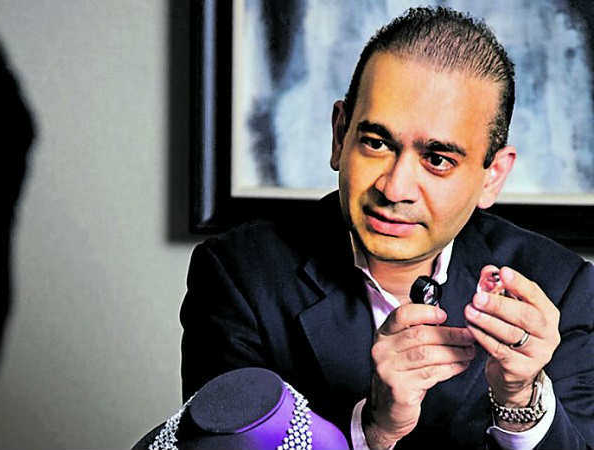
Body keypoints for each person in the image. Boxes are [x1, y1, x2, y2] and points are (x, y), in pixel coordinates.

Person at [180, 7, 594, 450]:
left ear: (492, 176)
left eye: (437, 159)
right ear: (340, 136)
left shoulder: (562, 288)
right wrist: (372, 430)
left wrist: (521, 399)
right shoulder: (237, 275)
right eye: (376, 143)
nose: (395, 188)